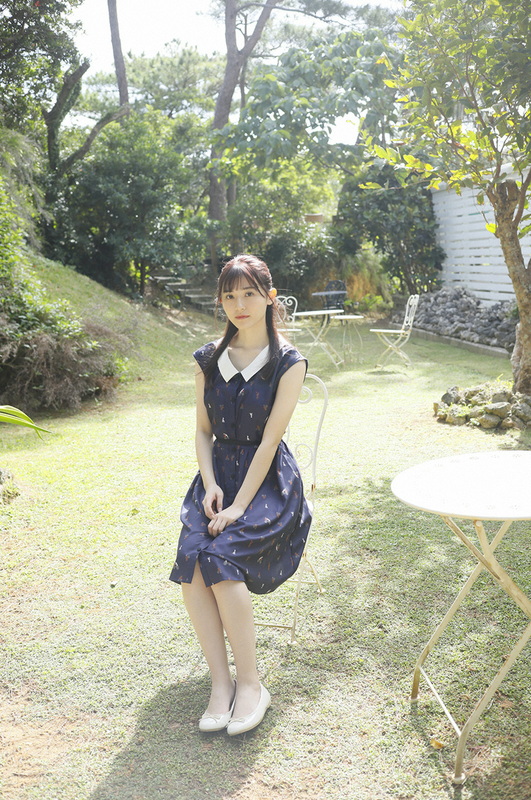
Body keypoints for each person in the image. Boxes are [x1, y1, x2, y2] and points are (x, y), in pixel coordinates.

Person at [169, 254, 311, 736]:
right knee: (193, 563)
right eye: (229, 296)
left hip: (267, 485)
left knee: (220, 560)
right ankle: (221, 684)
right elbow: (202, 431)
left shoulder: (288, 362)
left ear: (270, 298)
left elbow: (270, 443)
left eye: (249, 293)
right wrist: (210, 485)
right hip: (216, 482)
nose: (239, 304)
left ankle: (251, 684)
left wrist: (237, 506)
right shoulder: (208, 358)